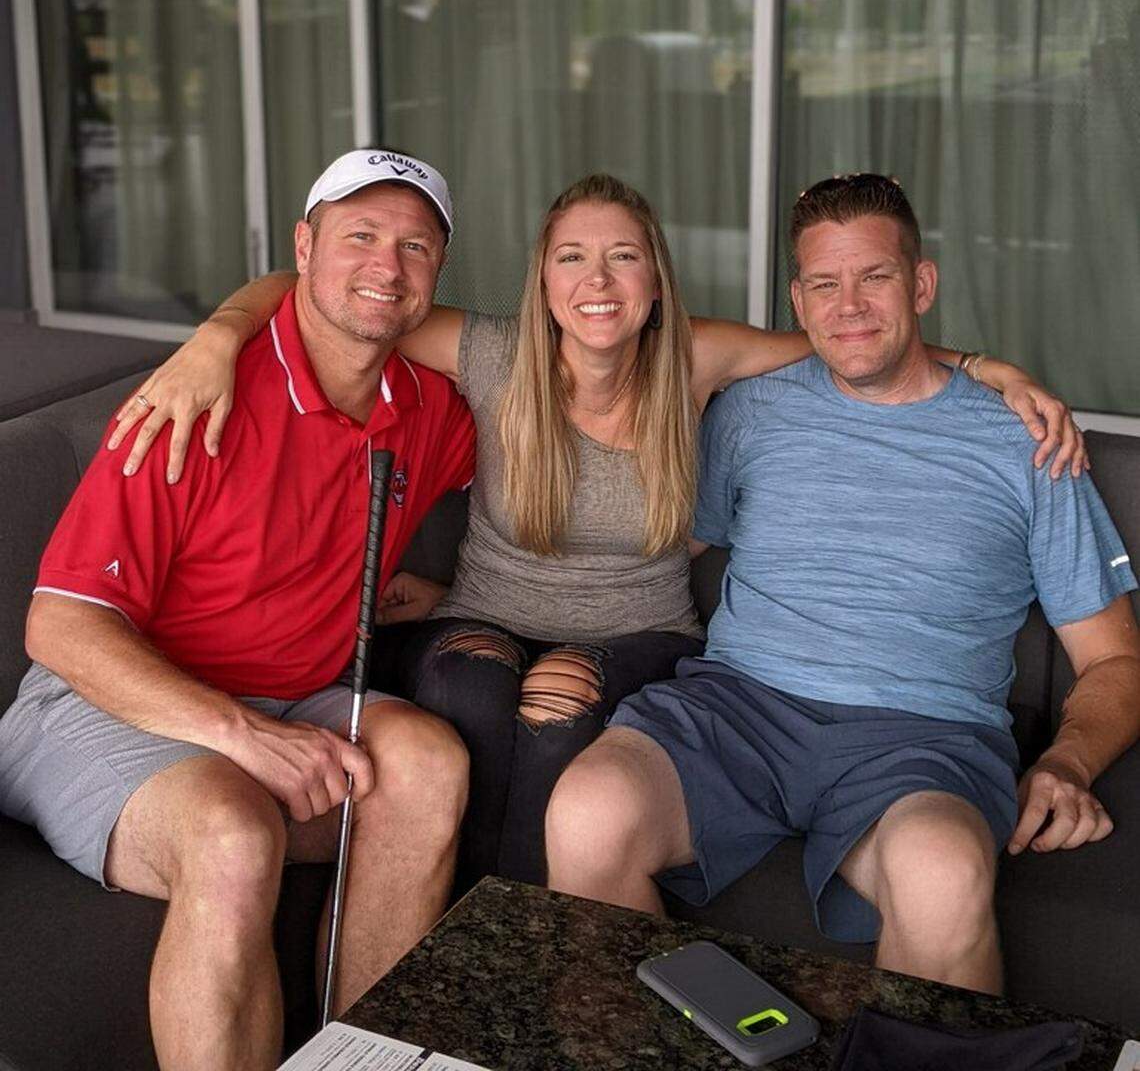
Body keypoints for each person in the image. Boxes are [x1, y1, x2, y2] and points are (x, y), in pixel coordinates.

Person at [106, 168, 1085, 892]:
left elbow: (857, 336)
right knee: (469, 681)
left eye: (622, 255)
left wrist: (989, 368)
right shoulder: (491, 355)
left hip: (641, 636)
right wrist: (215, 337)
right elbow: (327, 293)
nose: (599, 278)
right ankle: (455, 934)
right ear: (544, 276)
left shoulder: (700, 359)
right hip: (484, 614)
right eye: (573, 255)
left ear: (654, 277)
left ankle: (529, 940)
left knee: (561, 696)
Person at [541, 173, 1140, 995]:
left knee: (942, 873)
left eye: (875, 277)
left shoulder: (1027, 440)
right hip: (736, 709)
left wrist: (1067, 763)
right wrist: (473, 595)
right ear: (799, 298)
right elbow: (645, 552)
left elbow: (1112, 659)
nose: (848, 304)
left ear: (921, 284)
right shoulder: (751, 412)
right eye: (825, 283)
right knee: (588, 811)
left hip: (924, 739)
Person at [0, 150, 478, 1071]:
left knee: (428, 764)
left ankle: (358, 1060)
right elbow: (59, 629)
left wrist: (470, 594)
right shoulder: (190, 404)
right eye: (361, 237)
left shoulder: (428, 407)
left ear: (438, 274)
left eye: (416, 246)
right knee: (233, 829)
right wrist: (239, 737)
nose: (388, 266)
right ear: (304, 247)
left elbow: (569, 428)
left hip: (290, 695)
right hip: (100, 706)